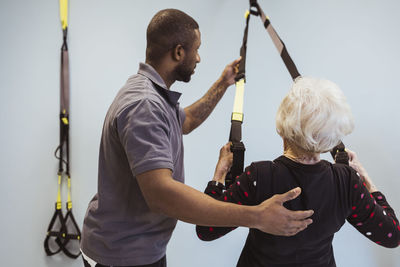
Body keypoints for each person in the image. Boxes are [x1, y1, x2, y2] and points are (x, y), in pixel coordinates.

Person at [80, 9, 315, 267]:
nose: (199, 58)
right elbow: (161, 194)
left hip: (137, 248)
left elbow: (187, 121)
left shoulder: (153, 95)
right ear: (179, 52)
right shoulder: (144, 105)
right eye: (197, 49)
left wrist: (223, 83)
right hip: (120, 256)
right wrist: (257, 216)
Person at [196, 77, 400, 266]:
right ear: (332, 136)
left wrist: (219, 176)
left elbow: (206, 229)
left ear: (282, 128)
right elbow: (392, 236)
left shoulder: (259, 176)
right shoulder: (346, 181)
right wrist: (366, 179)